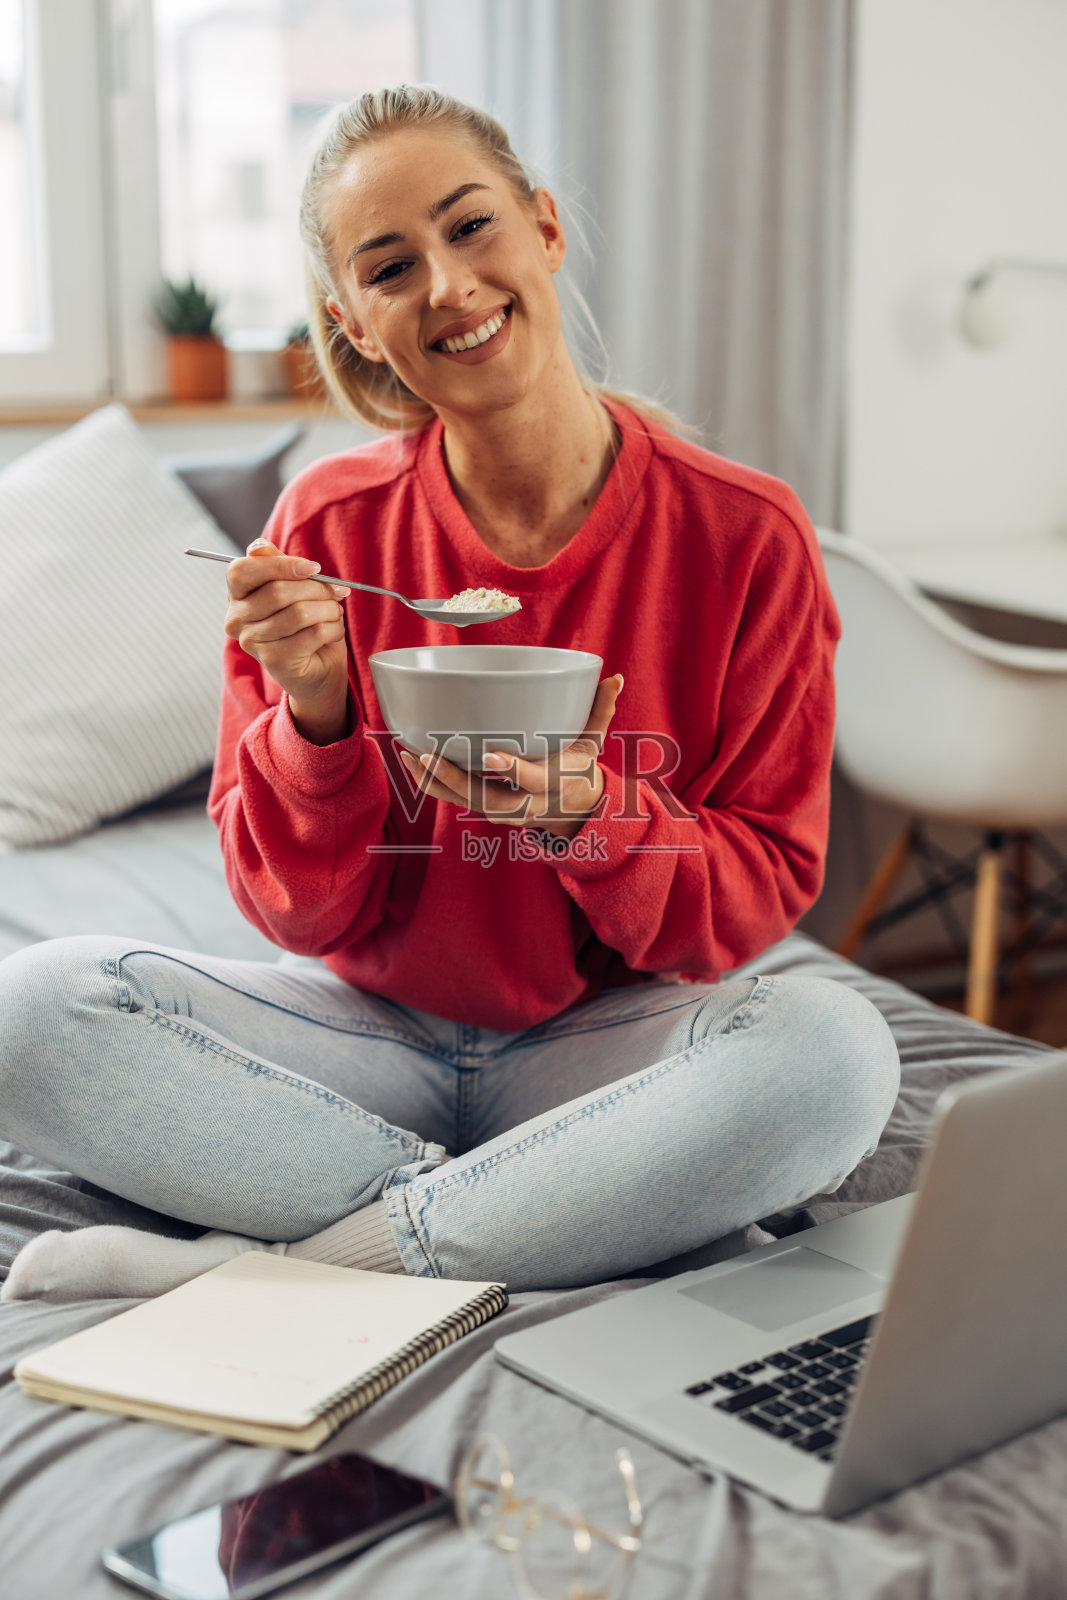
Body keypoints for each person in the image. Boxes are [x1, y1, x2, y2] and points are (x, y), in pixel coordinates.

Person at [0, 86, 898, 1304]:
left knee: (832, 1057)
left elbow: (754, 902)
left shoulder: (742, 535)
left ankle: (295, 1273)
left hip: (607, 1052)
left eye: (471, 227)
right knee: (28, 1009)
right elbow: (290, 914)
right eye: (390, 266)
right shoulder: (324, 530)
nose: (446, 285)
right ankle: (554, 1212)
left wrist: (597, 816)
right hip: (368, 1042)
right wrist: (316, 715)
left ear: (542, 228)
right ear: (354, 323)